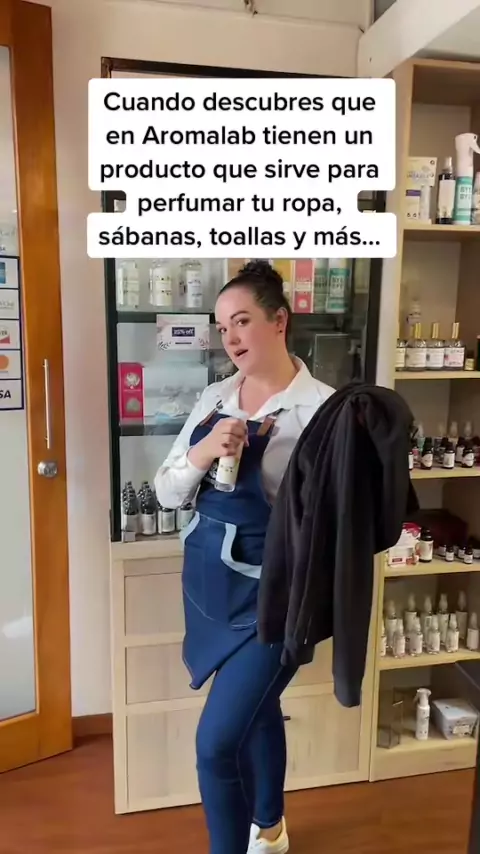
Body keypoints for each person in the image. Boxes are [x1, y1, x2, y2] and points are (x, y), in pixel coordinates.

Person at [154, 260, 334, 854]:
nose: (230, 337)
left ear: (279, 321)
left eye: (242, 321)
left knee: (215, 744)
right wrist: (204, 450)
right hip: (211, 588)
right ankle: (272, 829)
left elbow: (342, 523)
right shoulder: (215, 397)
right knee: (258, 711)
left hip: (277, 596)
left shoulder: (324, 412)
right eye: (222, 326)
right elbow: (167, 492)